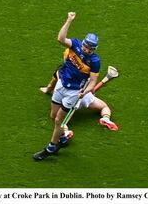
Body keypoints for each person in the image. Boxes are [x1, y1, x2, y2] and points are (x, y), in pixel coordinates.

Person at [33, 12, 101, 161]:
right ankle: (63, 137)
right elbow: (60, 39)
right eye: (87, 47)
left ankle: (51, 148)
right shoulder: (75, 44)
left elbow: (93, 82)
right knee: (53, 116)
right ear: (83, 43)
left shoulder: (95, 61)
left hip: (74, 93)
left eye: (91, 49)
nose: (88, 50)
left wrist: (86, 91)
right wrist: (69, 20)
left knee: (59, 121)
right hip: (61, 84)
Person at [39, 64, 121, 132]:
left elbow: (51, 85)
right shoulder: (82, 74)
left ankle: (66, 131)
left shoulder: (59, 73)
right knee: (104, 107)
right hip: (84, 96)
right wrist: (91, 92)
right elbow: (91, 88)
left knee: (58, 118)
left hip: (66, 99)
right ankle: (106, 118)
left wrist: (46, 90)